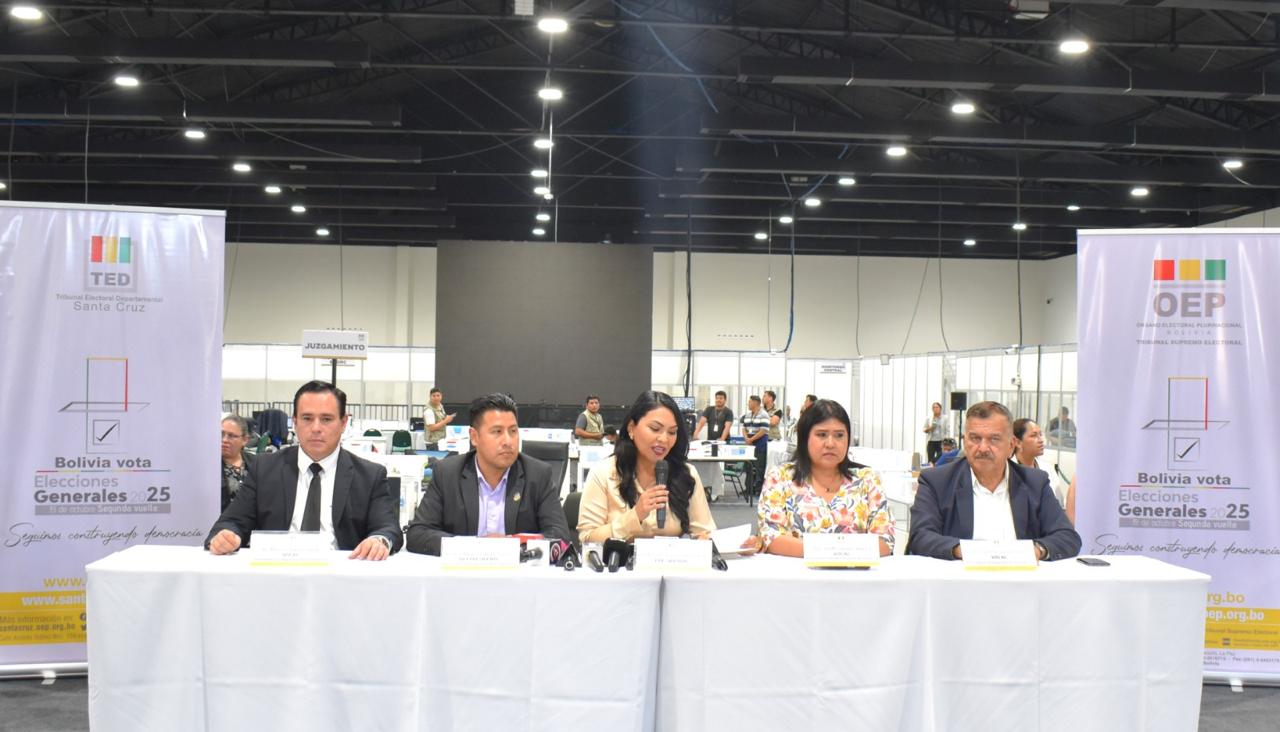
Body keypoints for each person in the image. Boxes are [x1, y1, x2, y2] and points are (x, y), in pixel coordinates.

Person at [206, 381, 402, 560]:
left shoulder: (369, 475)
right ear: (295, 421)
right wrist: (227, 536)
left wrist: (379, 540)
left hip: (341, 577)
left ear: (343, 423)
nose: (316, 428)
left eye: (326, 419)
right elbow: (231, 522)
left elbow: (387, 528)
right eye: (307, 418)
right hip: (276, 572)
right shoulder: (264, 468)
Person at [907, 400, 1080, 561]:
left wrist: (1034, 551)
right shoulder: (937, 482)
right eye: (975, 438)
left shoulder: (1035, 482)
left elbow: (1067, 536)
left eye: (994, 439)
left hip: (1021, 578)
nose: (983, 448)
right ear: (965, 442)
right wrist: (966, 552)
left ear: (1011, 445)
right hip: (961, 579)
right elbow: (921, 537)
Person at [406, 393, 572, 555]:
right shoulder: (447, 473)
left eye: (513, 431)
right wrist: (476, 546)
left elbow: (560, 537)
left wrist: (510, 545)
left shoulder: (538, 475)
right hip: (463, 571)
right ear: (474, 437)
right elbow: (418, 534)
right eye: (497, 432)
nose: (508, 441)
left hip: (517, 571)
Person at [753, 399, 894, 557]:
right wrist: (835, 552)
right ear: (805, 438)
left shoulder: (867, 479)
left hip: (855, 572)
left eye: (839, 435)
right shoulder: (780, 478)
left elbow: (884, 541)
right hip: (796, 572)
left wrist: (827, 552)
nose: (830, 444)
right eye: (821, 435)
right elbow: (771, 537)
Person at [578, 390, 716, 543]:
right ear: (631, 428)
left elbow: (704, 532)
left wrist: (709, 540)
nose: (664, 439)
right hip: (619, 559)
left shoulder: (685, 474)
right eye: (655, 429)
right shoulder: (603, 473)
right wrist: (635, 516)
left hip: (669, 558)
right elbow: (587, 539)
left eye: (672, 432)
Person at [1012, 418, 1069, 510]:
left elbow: (1059, 503)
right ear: (1018, 442)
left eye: (1040, 435)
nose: (1041, 440)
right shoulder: (1008, 470)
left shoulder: (1048, 468)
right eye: (1034, 436)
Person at [219, 415, 255, 511]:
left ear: (245, 440)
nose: (224, 440)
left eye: (231, 436)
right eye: (221, 434)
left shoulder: (255, 462)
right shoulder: (211, 466)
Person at [741, 395, 771, 496]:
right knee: (749, 466)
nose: (748, 404)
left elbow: (764, 430)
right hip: (749, 443)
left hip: (760, 443)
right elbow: (744, 428)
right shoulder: (748, 415)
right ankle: (749, 488)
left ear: (755, 403)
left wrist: (751, 439)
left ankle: (759, 489)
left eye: (749, 402)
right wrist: (746, 438)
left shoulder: (764, 414)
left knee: (759, 467)